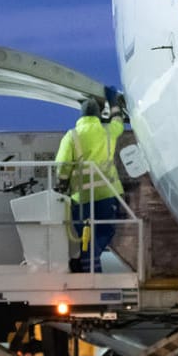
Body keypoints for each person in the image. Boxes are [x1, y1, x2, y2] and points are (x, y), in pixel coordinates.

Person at [55, 97, 125, 272]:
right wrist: (115, 104)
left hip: (82, 199)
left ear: (81, 115)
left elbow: (62, 165)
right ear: (98, 114)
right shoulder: (108, 131)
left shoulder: (72, 136)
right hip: (107, 194)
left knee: (85, 237)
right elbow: (119, 122)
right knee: (107, 231)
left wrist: (62, 183)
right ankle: (89, 262)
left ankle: (87, 264)